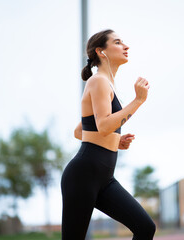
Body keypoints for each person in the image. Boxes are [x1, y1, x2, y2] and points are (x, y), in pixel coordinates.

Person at [61, 29, 156, 240]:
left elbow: (81, 131)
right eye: (118, 42)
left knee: (145, 228)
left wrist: (115, 139)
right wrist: (138, 101)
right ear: (101, 51)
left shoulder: (106, 84)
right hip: (83, 175)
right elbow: (103, 125)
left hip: (104, 178)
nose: (126, 46)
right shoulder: (98, 81)